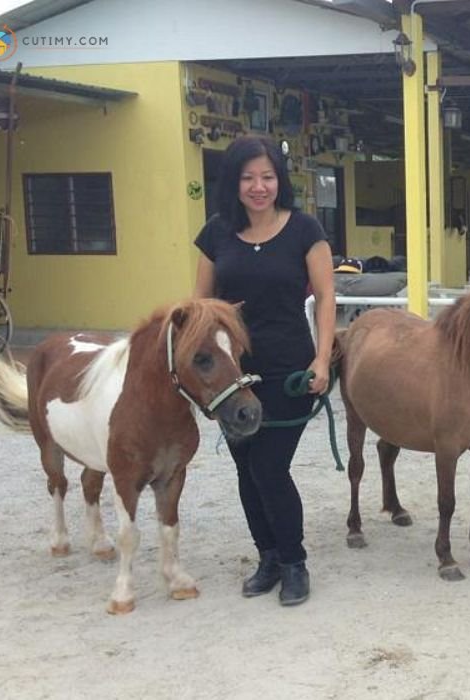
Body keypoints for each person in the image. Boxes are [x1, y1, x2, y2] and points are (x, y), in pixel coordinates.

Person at [193, 136, 336, 606]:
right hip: (233, 376)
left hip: (288, 370)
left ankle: (294, 563)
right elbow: (201, 307)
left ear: (280, 181)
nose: (259, 187)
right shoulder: (216, 233)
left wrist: (321, 359)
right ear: (234, 183)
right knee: (245, 468)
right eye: (249, 178)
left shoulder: (305, 230)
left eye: (268, 177)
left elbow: (326, 298)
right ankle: (268, 558)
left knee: (269, 466)